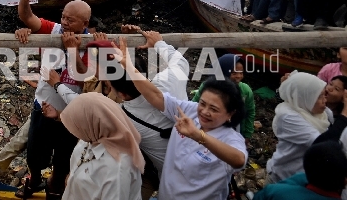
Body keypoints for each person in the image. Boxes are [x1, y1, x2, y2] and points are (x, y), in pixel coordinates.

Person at [116, 37, 247, 200]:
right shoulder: (190, 110)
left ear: (231, 114)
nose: (204, 112)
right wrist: (128, 66)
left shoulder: (230, 138)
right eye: (203, 103)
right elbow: (155, 95)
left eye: (213, 109)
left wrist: (198, 136)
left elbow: (239, 161)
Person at [15, 0, 92, 198]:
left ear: (84, 22)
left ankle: (55, 189)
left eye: (71, 19)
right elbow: (27, 18)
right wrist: (24, 0)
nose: (65, 22)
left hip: (71, 114)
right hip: (43, 105)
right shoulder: (54, 29)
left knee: (64, 160)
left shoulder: (91, 43)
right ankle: (35, 180)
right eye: (63, 16)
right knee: (34, 154)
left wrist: (73, 50)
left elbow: (86, 75)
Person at [108, 25, 188, 178]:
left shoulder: (121, 117)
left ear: (122, 94)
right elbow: (181, 62)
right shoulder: (167, 83)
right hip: (205, 169)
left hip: (171, 182)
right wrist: (159, 43)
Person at [58, 93, 144, 200]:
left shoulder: (117, 167)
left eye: (78, 125)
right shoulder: (88, 141)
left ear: (91, 125)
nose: (74, 131)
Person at [267, 71, 331, 183]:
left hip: (305, 179)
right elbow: (319, 142)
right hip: (283, 179)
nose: (325, 100)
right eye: (319, 96)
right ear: (305, 97)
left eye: (324, 95)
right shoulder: (287, 116)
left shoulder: (321, 113)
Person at [192, 54, 256, 144]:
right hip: (207, 128)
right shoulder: (209, 87)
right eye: (234, 73)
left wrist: (247, 135)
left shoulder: (245, 91)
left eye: (241, 73)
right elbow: (193, 105)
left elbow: (250, 112)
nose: (239, 76)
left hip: (233, 130)